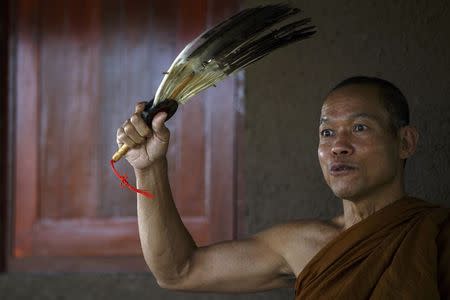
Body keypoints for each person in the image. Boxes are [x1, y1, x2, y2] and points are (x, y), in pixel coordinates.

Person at [116, 76, 450, 299]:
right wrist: (149, 168)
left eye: (360, 127)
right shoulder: (301, 245)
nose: (338, 146)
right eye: (327, 133)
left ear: (405, 142)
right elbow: (177, 271)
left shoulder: (435, 238)